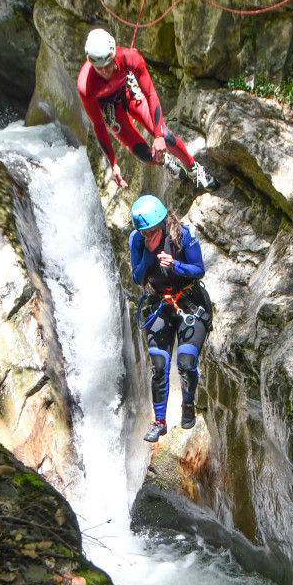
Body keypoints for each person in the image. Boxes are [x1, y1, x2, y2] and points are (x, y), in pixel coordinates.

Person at [78, 28, 219, 191]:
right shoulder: (85, 87)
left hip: (127, 90)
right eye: (98, 67)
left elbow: (150, 94)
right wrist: (113, 163)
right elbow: (98, 126)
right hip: (110, 108)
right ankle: (166, 162)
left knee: (165, 136)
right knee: (145, 156)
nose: (104, 71)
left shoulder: (129, 58)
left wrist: (158, 136)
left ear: (113, 53)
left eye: (107, 64)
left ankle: (194, 169)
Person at [129, 194, 213, 442]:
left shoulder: (183, 236)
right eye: (144, 232)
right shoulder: (137, 240)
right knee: (159, 366)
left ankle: (188, 405)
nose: (148, 236)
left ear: (163, 223)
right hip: (159, 305)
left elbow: (199, 269)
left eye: (152, 231)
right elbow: (138, 278)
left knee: (186, 363)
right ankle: (159, 422)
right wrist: (147, 254)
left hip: (189, 301)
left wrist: (176, 265)